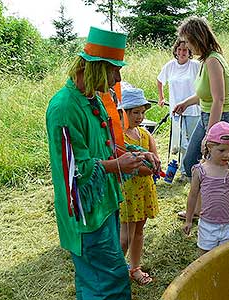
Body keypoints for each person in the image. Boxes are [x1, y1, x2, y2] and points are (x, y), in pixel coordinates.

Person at [46, 27, 159, 299]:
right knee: (108, 282)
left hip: (105, 202)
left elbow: (107, 145)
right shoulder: (64, 109)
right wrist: (117, 165)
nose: (118, 77)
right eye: (114, 70)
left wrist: (136, 152)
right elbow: (74, 172)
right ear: (96, 68)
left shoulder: (93, 99)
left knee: (101, 278)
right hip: (86, 214)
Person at [173, 17, 229, 219]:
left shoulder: (213, 60)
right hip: (207, 116)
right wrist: (186, 103)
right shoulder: (205, 60)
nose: (189, 48)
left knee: (209, 164)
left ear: (198, 38)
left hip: (220, 119)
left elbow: (218, 99)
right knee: (195, 162)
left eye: (189, 43)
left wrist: (210, 135)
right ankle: (201, 209)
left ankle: (220, 209)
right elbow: (205, 94)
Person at [183, 121, 229, 254]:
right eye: (222, 150)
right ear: (210, 147)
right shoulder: (200, 171)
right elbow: (193, 196)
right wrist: (188, 220)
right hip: (207, 225)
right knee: (205, 258)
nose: (227, 155)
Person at [117, 88, 159, 285]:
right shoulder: (119, 138)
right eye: (135, 112)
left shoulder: (144, 134)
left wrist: (152, 164)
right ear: (123, 112)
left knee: (140, 230)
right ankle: (116, 272)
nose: (140, 117)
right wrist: (146, 166)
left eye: (142, 112)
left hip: (144, 190)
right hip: (128, 192)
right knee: (125, 236)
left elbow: (154, 160)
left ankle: (135, 267)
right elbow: (137, 166)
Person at [157, 38, 200, 179]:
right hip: (176, 111)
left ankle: (194, 170)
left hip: (193, 109)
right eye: (179, 49)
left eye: (185, 50)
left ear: (189, 52)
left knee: (194, 141)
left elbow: (203, 82)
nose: (182, 52)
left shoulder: (195, 65)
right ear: (175, 51)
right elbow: (160, 80)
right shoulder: (170, 66)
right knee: (181, 142)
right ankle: (184, 171)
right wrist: (161, 98)